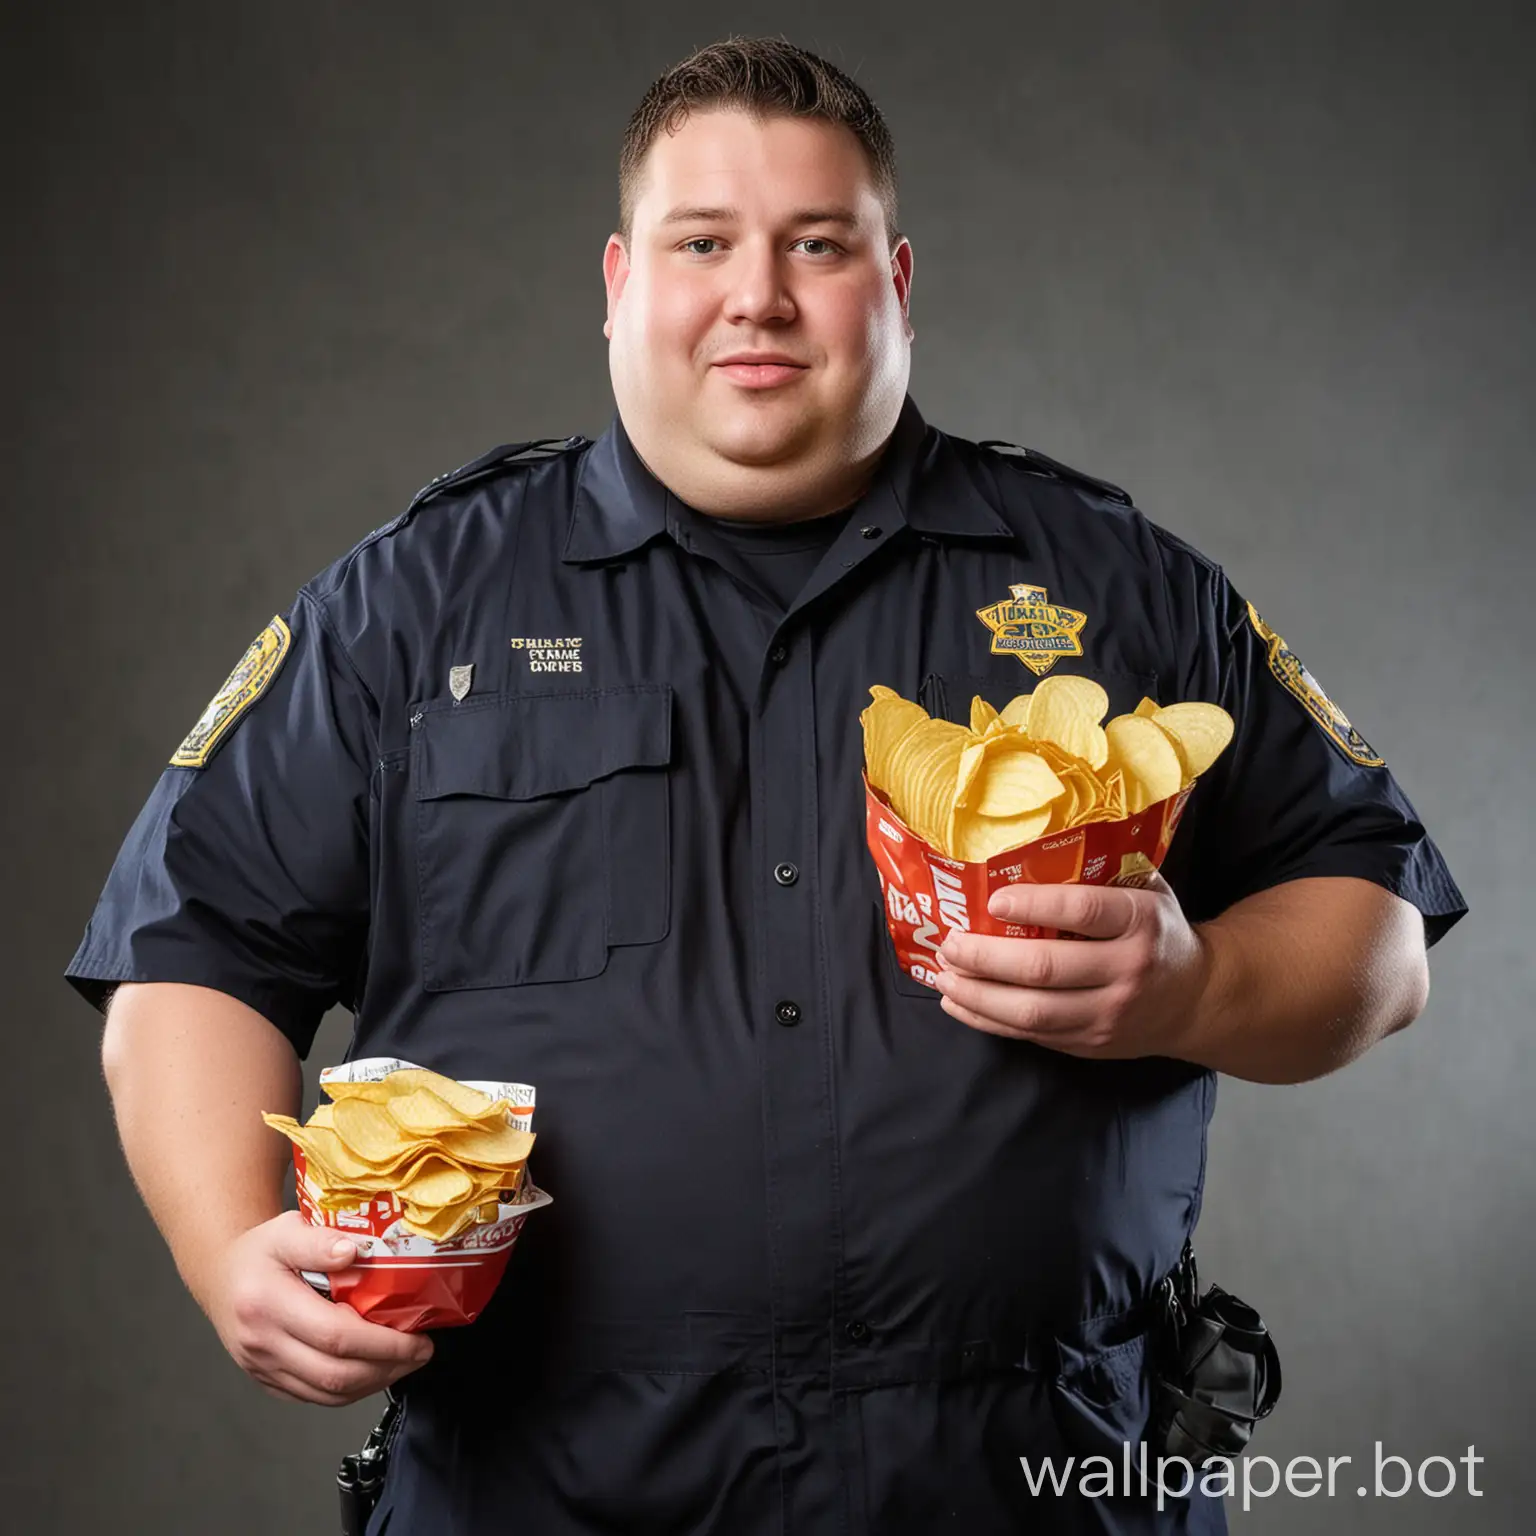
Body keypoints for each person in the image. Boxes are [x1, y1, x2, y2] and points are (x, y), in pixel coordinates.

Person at [67, 36, 1465, 1536]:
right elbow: (192, 955)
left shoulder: (1117, 584)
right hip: (544, 1485)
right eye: (704, 243)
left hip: (1035, 1484)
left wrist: (1191, 991)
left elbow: (1375, 929)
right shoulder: (412, 608)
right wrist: (231, 1247)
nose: (760, 294)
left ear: (899, 281)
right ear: (618, 285)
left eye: (818, 244)